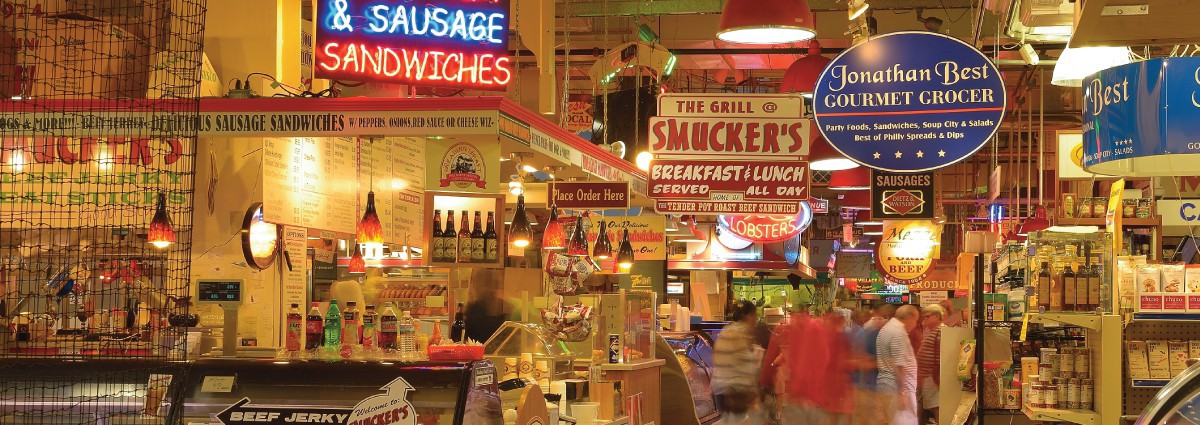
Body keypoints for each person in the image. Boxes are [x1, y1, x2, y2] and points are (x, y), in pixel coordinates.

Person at [713, 300, 765, 424]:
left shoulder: (726, 330)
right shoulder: (742, 332)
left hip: (719, 389)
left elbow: (716, 358)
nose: (755, 319)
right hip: (735, 391)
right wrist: (753, 394)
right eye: (753, 315)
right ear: (746, 316)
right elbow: (745, 365)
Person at [876, 305, 920, 425]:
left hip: (887, 384)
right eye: (915, 321)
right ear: (908, 317)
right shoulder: (898, 333)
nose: (915, 325)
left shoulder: (886, 329)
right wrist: (902, 393)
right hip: (897, 387)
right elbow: (899, 366)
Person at [914, 305, 946, 424]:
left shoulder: (941, 331)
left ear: (937, 316)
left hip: (933, 377)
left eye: (927, 317)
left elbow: (942, 354)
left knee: (936, 407)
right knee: (927, 407)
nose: (925, 320)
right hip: (927, 377)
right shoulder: (933, 331)